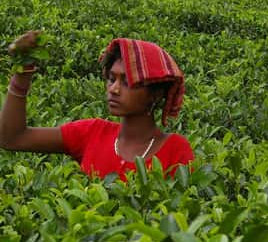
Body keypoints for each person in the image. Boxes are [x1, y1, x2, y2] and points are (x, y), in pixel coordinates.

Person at [0, 31, 194, 181]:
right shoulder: (92, 132)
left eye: (127, 82)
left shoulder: (175, 149)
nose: (114, 89)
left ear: (156, 93)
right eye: (111, 79)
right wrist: (23, 72)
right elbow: (13, 138)